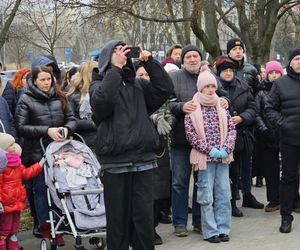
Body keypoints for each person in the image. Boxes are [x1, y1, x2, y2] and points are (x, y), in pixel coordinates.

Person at [90, 40, 173, 250]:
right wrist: (115, 69)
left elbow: (165, 89)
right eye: (118, 52)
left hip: (143, 162)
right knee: (118, 225)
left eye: (126, 52)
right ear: (107, 57)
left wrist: (151, 63)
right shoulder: (98, 84)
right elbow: (101, 103)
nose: (123, 56)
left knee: (144, 224)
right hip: (115, 164)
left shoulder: (138, 84)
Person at [168, 45, 229, 237]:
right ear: (183, 60)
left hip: (206, 147)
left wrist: (226, 101)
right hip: (181, 140)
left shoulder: (208, 76)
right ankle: (179, 223)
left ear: (200, 58)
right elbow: (167, 103)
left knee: (202, 185)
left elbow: (222, 95)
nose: (192, 59)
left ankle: (199, 222)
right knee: (179, 182)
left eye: (196, 56)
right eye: (189, 57)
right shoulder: (175, 78)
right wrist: (181, 106)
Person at [15, 65, 76, 245]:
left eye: (48, 79)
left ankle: (63, 224)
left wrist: (67, 129)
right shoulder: (25, 99)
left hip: (60, 152)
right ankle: (46, 228)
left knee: (61, 190)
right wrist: (47, 131)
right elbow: (21, 127)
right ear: (34, 81)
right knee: (41, 191)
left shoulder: (60, 96)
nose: (46, 83)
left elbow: (72, 119)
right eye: (42, 79)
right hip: (37, 154)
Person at [185, 70, 236, 243]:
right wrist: (209, 149)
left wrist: (227, 148)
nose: (210, 89)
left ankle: (223, 228)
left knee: (223, 194)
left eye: (213, 86)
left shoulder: (221, 106)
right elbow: (191, 135)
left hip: (222, 158)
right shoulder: (192, 108)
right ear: (200, 87)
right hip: (205, 159)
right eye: (206, 86)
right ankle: (210, 231)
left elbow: (231, 129)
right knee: (206, 196)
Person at [215, 56, 263, 217]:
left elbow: (252, 107)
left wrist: (242, 117)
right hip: (220, 136)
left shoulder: (242, 85)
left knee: (236, 172)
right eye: (225, 71)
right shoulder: (212, 86)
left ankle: (235, 202)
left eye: (230, 70)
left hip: (240, 134)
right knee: (224, 172)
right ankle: (224, 202)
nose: (228, 73)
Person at [265, 46, 300, 233]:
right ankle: (286, 217)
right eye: (296, 59)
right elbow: (269, 108)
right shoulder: (281, 84)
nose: (299, 62)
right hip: (289, 140)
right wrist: (282, 123)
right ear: (290, 62)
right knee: (288, 179)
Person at [0, 132, 42, 250]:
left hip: (17, 203)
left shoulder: (17, 163)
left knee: (14, 229)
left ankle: (14, 248)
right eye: (11, 145)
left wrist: (40, 165)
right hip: (6, 205)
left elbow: (26, 173)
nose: (15, 146)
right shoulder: (1, 166)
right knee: (4, 230)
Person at [255, 60, 283, 212]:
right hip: (267, 136)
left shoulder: (286, 89)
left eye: (276, 73)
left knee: (288, 170)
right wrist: (264, 129)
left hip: (285, 133)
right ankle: (273, 199)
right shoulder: (261, 93)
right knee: (270, 170)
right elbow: (257, 113)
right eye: (271, 73)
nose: (273, 76)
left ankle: (291, 198)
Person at [66, 61, 97, 149]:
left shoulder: (103, 91)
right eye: (94, 71)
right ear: (86, 74)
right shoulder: (73, 95)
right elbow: (70, 120)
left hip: (104, 141)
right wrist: (94, 123)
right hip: (83, 142)